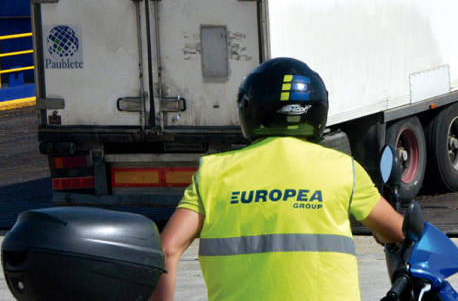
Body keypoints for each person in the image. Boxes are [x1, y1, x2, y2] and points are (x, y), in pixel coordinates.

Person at [150, 57, 404, 301]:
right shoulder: (342, 169)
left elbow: (167, 250)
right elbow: (399, 232)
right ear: (316, 112)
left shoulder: (213, 173)